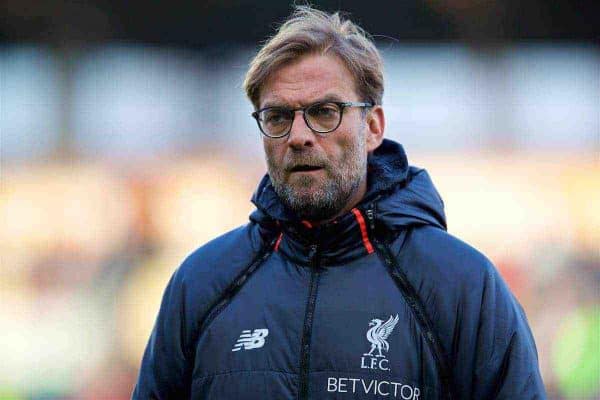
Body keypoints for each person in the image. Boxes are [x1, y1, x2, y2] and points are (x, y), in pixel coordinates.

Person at [132, 6, 546, 400]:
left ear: (372, 127)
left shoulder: (461, 285)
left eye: (324, 112)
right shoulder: (203, 284)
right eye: (277, 117)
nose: (298, 136)